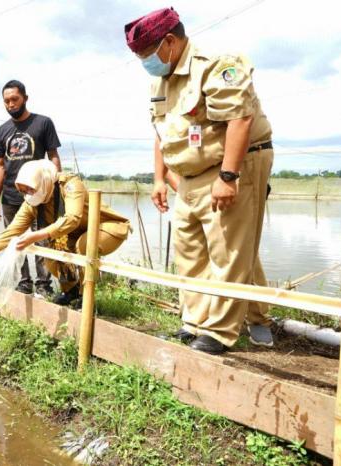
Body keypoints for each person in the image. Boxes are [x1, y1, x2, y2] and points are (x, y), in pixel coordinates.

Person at [125, 7, 275, 354]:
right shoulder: (161, 81)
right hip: (189, 173)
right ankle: (195, 322)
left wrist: (228, 175)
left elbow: (240, 118)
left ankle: (220, 332)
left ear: (170, 41)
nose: (146, 61)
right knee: (189, 249)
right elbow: (162, 134)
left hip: (233, 164)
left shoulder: (215, 64)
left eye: (148, 54)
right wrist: (160, 179)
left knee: (228, 249)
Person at [0, 160, 130, 305]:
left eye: (30, 188)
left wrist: (37, 235)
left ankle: (86, 298)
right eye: (23, 191)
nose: (27, 195)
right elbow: (12, 231)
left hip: (107, 227)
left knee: (84, 246)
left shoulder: (70, 185)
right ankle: (71, 291)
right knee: (50, 252)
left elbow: (72, 219)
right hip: (75, 234)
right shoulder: (33, 202)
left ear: (43, 182)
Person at [0, 80, 62, 298]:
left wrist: (54, 187)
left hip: (39, 196)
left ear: (25, 98)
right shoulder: (1, 130)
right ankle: (23, 283)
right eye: (6, 101)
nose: (11, 104)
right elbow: (0, 165)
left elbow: (53, 157)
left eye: (15, 99)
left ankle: (43, 285)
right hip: (11, 196)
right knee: (15, 241)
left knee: (42, 239)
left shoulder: (43, 123)